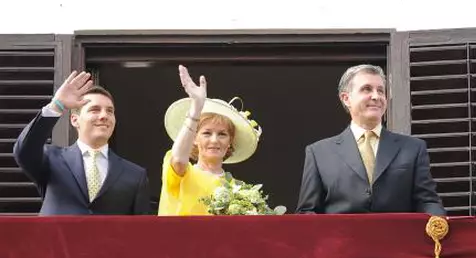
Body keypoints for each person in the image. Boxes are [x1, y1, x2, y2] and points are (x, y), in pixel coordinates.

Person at [296, 64, 445, 215]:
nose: (376, 96)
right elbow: (308, 211)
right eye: (367, 89)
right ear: (346, 98)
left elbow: (428, 202)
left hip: (397, 231)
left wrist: (438, 222)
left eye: (380, 90)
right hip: (341, 231)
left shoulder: (413, 148)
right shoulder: (319, 153)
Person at [13, 71, 149, 215]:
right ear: (75, 120)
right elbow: (24, 150)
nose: (104, 115)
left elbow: (141, 227)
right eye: (94, 110)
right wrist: (56, 105)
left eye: (110, 111)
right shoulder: (50, 159)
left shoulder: (135, 175)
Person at [158, 65, 262, 216]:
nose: (214, 140)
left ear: (230, 141)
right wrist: (196, 109)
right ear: (194, 138)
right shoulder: (185, 173)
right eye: (207, 133)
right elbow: (179, 160)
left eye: (222, 134)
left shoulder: (239, 190)